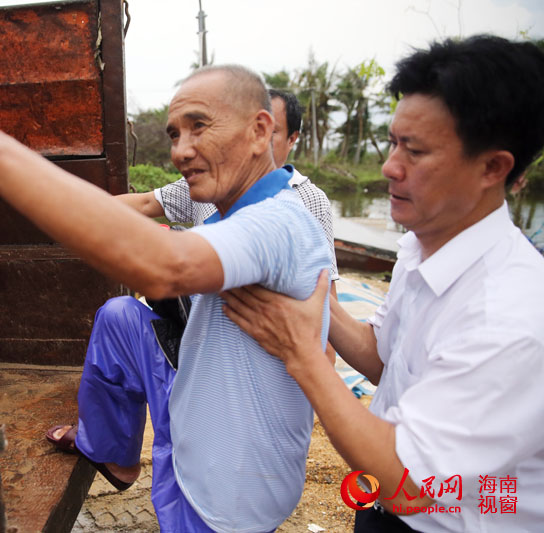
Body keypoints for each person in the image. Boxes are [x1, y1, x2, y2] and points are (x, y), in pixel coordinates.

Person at [0, 1, 332, 529]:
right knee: (122, 317)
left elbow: (164, 266)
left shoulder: (283, 218)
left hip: (226, 496)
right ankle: (113, 452)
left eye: (200, 127)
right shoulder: (230, 205)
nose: (183, 150)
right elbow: (141, 219)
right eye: (174, 134)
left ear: (261, 132)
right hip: (196, 430)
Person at [221, 35, 544, 532]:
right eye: (393, 141)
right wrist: (319, 297)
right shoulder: (423, 243)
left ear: (493, 167)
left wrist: (302, 353)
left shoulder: (509, 315)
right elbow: (384, 359)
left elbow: (410, 483)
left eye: (414, 151)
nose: (389, 167)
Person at [119, 88, 341, 362]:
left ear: (292, 138)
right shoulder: (209, 184)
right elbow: (145, 205)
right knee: (118, 315)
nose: (256, 142)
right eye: (249, 130)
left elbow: (324, 292)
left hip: (261, 348)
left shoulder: (305, 201)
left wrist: (323, 371)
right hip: (198, 328)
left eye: (270, 132)